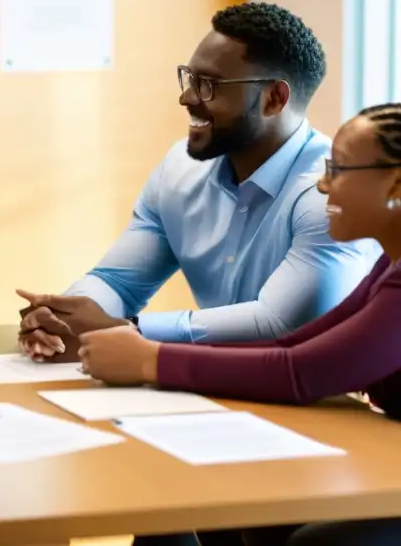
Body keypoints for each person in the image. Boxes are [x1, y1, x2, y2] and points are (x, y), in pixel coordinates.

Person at [76, 103, 401, 545]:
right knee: (218, 510)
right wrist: (139, 344)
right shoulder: (390, 263)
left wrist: (151, 360)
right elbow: (296, 346)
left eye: (338, 169)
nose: (324, 185)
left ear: (396, 183)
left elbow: (302, 372)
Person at [18, 3, 380, 366]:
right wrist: (61, 319)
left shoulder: (330, 191)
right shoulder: (180, 169)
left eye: (209, 86)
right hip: (215, 390)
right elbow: (117, 282)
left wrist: (128, 331)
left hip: (318, 403)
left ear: (274, 99)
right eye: (189, 79)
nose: (187, 97)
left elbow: (282, 324)